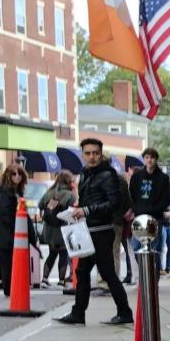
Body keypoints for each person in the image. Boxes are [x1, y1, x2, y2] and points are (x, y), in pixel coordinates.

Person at [63, 137, 131, 327]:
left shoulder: (108, 175)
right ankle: (78, 313)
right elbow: (92, 200)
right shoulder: (85, 173)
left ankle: (124, 311)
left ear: (101, 154)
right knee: (83, 271)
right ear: (82, 154)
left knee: (107, 273)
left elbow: (114, 204)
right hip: (89, 229)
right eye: (88, 153)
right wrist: (79, 207)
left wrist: (86, 210)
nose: (92, 157)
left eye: (95, 153)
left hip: (101, 230)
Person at [128, 149, 170, 281]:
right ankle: (144, 271)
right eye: (147, 157)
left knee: (155, 248)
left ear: (156, 159)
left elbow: (166, 199)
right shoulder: (137, 176)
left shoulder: (163, 178)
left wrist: (154, 210)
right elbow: (132, 195)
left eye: (152, 157)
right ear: (144, 159)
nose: (149, 160)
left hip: (155, 218)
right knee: (136, 246)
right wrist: (136, 209)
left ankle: (154, 277)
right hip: (139, 217)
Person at [0, 162, 29, 292]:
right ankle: (8, 288)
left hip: (15, 232)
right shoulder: (6, 192)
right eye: (14, 174)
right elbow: (5, 213)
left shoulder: (17, 192)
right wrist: (17, 227)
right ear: (8, 176)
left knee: (14, 261)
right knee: (7, 262)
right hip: (7, 233)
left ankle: (13, 286)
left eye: (19, 174)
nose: (17, 176)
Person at [37, 170, 76, 287]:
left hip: (49, 229)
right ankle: (61, 280)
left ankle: (44, 279)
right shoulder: (70, 195)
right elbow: (75, 209)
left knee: (52, 254)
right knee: (63, 254)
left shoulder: (50, 192)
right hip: (62, 228)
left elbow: (40, 205)